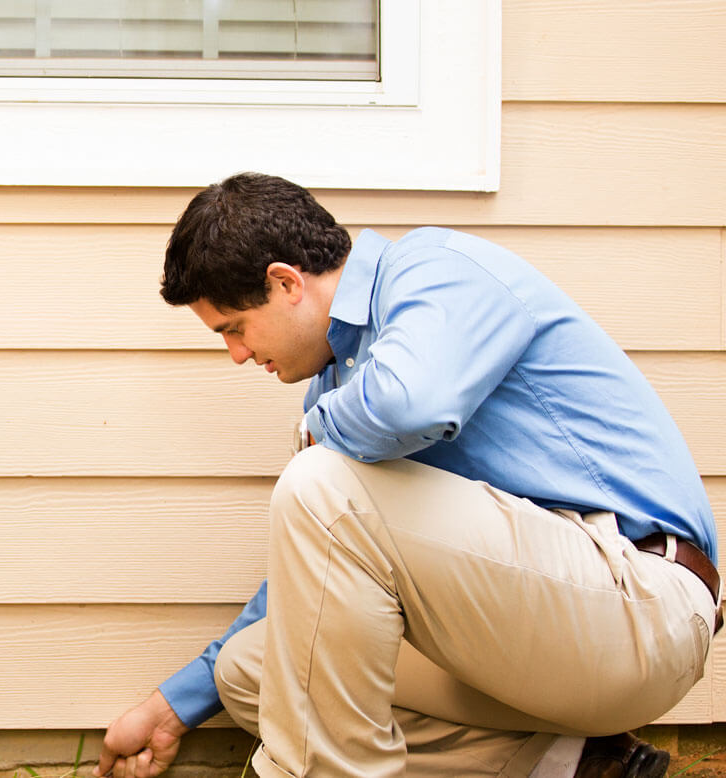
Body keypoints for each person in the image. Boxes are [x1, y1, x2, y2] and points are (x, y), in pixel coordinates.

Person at [96, 173, 719, 778]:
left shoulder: (433, 271)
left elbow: (412, 402)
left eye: (233, 328)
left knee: (319, 485)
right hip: (536, 642)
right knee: (251, 667)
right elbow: (309, 588)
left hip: (638, 608)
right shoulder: (337, 390)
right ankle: (569, 763)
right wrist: (170, 709)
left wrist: (316, 434)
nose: (236, 354)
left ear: (285, 282)